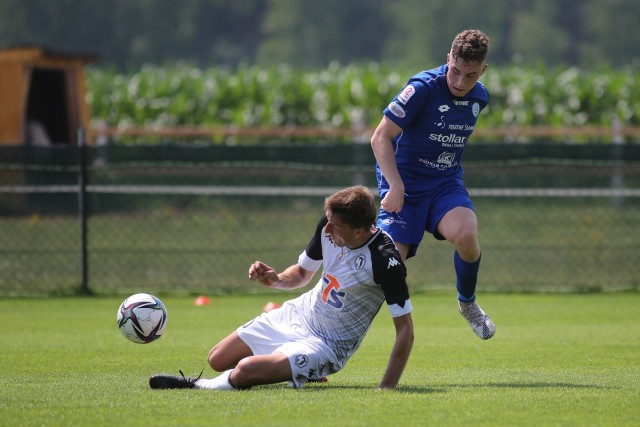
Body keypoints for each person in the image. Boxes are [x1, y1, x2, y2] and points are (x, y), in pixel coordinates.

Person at [149, 185, 414, 390]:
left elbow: (405, 330)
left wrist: (386, 388)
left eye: (335, 226)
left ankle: (197, 386)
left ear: (358, 231)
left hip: (326, 345)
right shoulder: (329, 225)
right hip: (299, 315)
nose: (327, 228)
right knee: (217, 359)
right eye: (328, 221)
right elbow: (300, 274)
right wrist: (275, 279)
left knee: (244, 371)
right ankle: (302, 372)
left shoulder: (385, 261)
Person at [370, 29, 496, 340]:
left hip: (444, 183)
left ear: (483, 71)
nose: (459, 82)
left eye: (470, 75)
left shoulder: (480, 97)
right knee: (385, 270)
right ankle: (328, 332)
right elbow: (380, 137)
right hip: (405, 184)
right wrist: (395, 186)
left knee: (467, 235)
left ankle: (467, 303)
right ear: (448, 59)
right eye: (455, 71)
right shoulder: (422, 88)